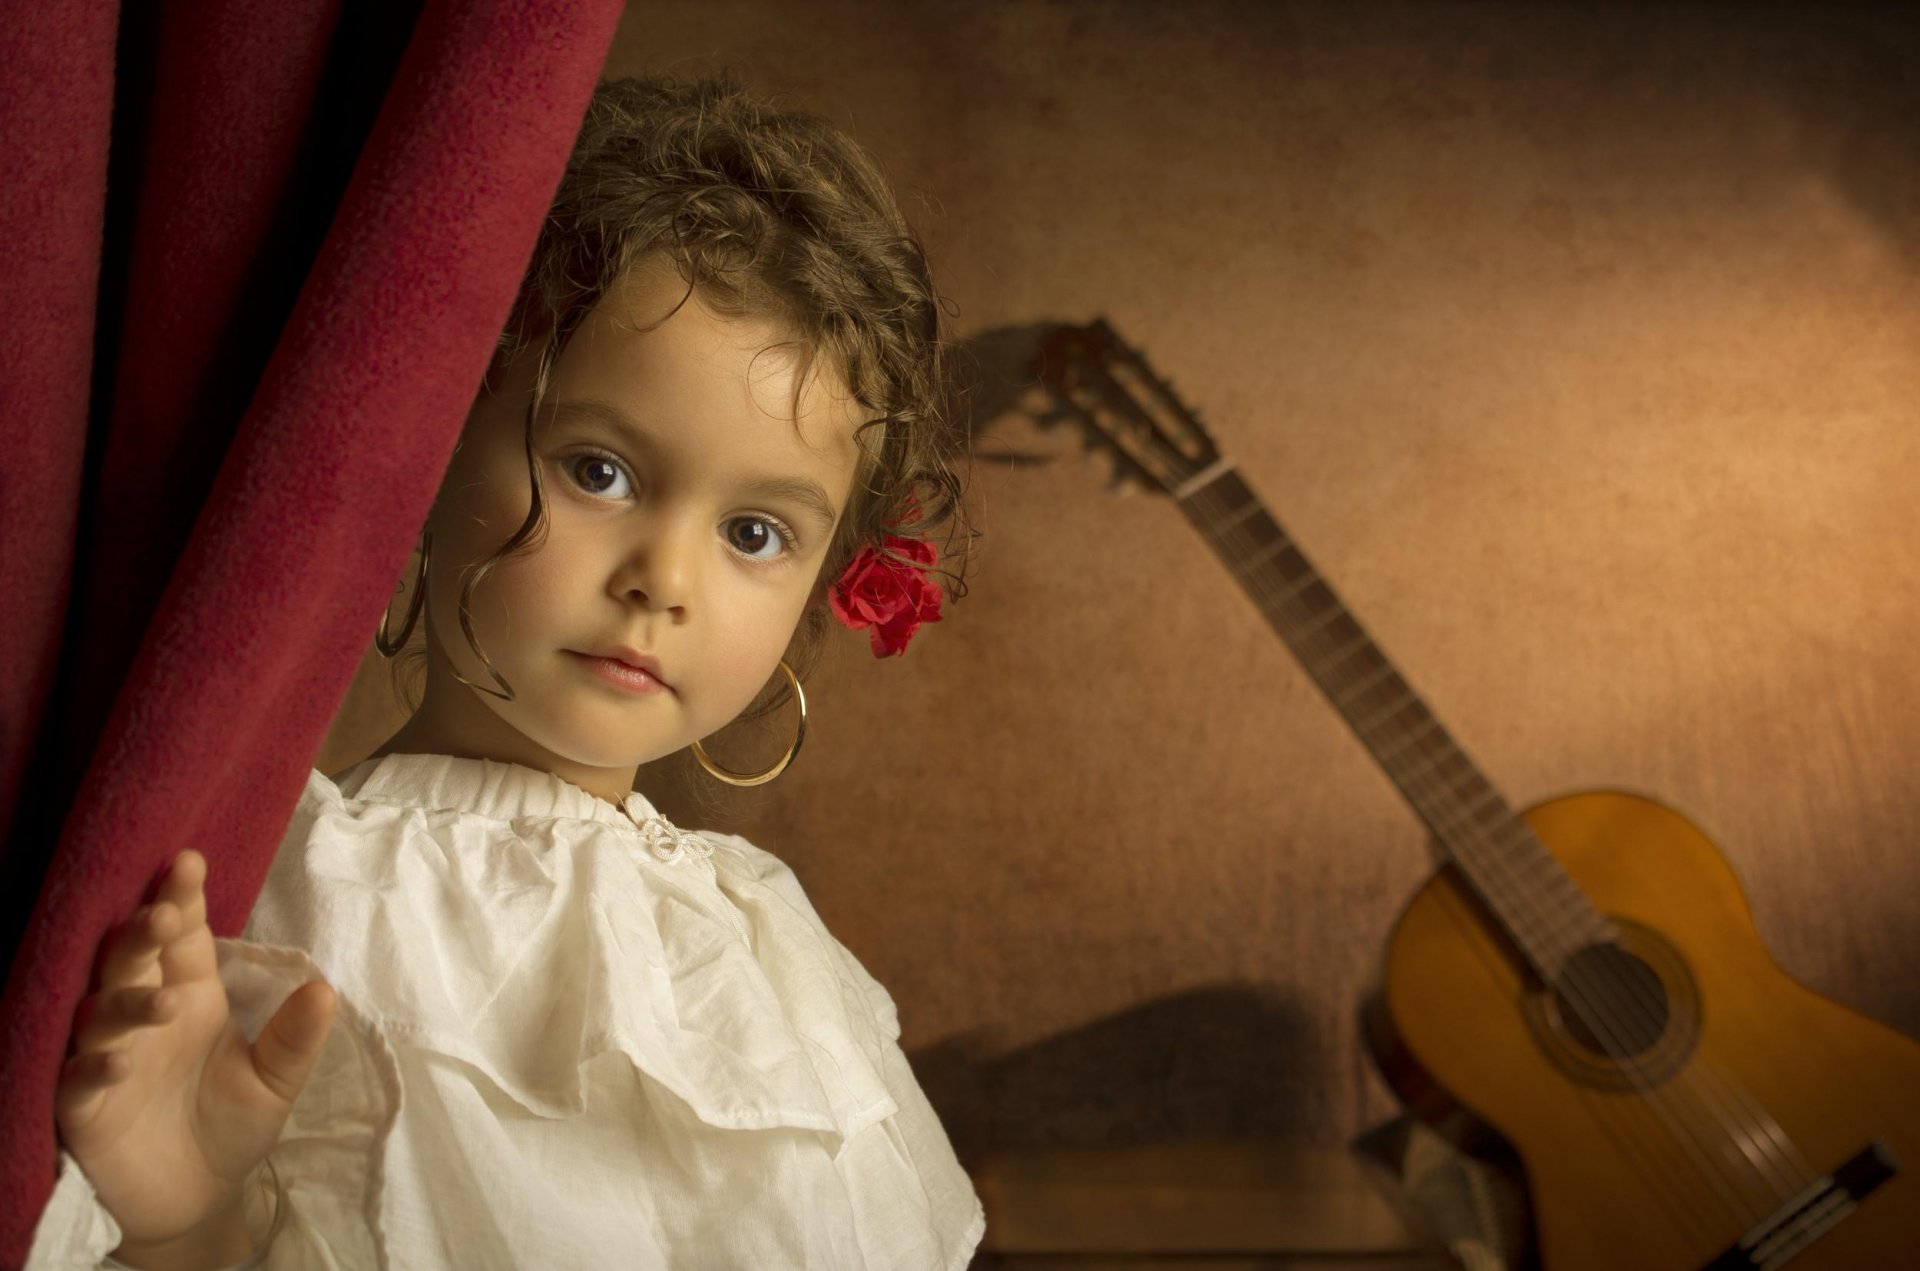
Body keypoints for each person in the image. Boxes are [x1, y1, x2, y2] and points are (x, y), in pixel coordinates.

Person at [28, 74, 982, 1269]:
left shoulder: (765, 945)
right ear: (431, 454)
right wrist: (190, 1215)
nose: (664, 577)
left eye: (755, 533)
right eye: (601, 470)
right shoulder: (305, 889)